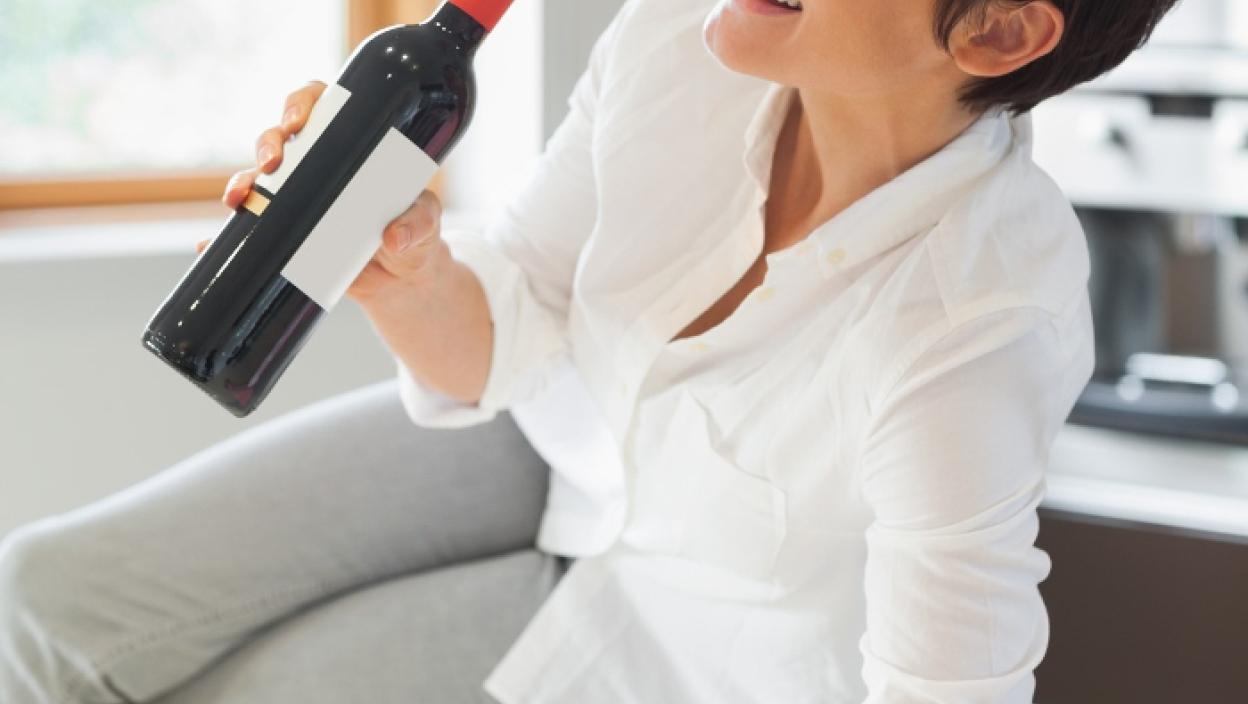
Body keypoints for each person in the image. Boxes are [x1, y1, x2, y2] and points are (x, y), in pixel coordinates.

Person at [0, 0, 1181, 701]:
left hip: (680, 652)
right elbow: (513, 318)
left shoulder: (974, 321)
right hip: (557, 435)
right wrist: (408, 273)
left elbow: (945, 688)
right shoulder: (680, 37)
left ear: (998, 27)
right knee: (45, 594)